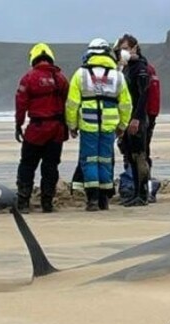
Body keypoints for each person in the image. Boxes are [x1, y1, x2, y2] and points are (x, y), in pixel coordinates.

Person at [66, 39, 132, 211]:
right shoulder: (117, 76)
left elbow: (72, 103)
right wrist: (122, 126)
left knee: (89, 161)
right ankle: (104, 200)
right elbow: (126, 104)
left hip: (88, 125)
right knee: (105, 161)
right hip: (109, 126)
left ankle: (92, 199)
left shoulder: (80, 74)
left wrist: (72, 125)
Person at [14, 42, 69, 213]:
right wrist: (68, 126)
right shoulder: (61, 78)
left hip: (37, 128)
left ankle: (23, 202)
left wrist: (18, 124)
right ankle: (47, 203)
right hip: (57, 129)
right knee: (51, 166)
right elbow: (68, 104)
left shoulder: (29, 78)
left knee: (27, 165)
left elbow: (21, 104)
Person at [115, 35, 153, 207]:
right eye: (120, 49)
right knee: (130, 156)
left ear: (134, 48)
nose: (122, 52)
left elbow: (144, 95)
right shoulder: (126, 68)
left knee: (139, 156)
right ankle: (136, 192)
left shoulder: (141, 68)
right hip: (127, 117)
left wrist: (137, 119)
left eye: (125, 48)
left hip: (138, 118)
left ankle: (143, 194)